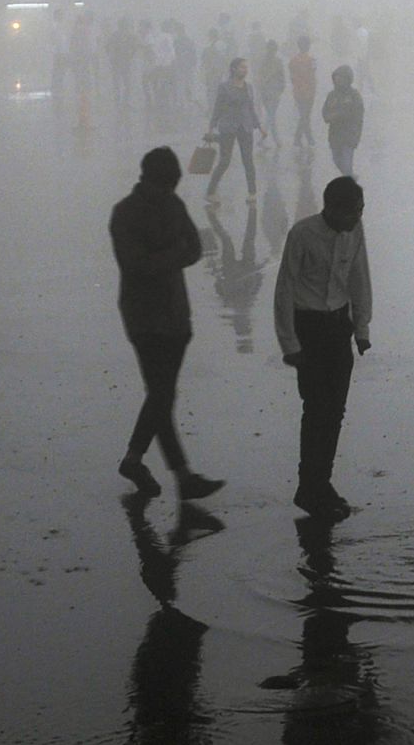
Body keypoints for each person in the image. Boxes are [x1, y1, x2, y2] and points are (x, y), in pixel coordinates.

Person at [110, 148, 225, 500]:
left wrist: (163, 256)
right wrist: (171, 254)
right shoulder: (127, 213)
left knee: (161, 395)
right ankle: (182, 475)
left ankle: (135, 459)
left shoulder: (168, 205)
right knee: (161, 394)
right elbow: (137, 264)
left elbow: (193, 249)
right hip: (148, 317)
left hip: (171, 315)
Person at [274, 177, 372, 521]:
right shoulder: (302, 235)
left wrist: (361, 327)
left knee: (335, 411)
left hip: (338, 327)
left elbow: (360, 276)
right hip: (309, 329)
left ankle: (321, 482)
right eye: (353, 211)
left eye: (361, 210)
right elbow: (285, 287)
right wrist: (289, 342)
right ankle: (308, 486)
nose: (358, 217)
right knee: (316, 409)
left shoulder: (355, 232)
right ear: (331, 209)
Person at [205, 57, 262, 201]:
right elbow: (217, 108)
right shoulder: (224, 87)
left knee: (248, 160)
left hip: (245, 126)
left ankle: (252, 193)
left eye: (246, 67)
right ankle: (210, 192)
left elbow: (251, 108)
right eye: (242, 67)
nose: (245, 70)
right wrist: (211, 127)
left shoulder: (249, 87)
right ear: (234, 69)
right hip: (228, 127)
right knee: (225, 161)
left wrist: (259, 126)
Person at [322, 65, 365, 176]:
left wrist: (343, 116)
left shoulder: (354, 95)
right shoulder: (332, 95)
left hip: (349, 135)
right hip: (335, 136)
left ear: (348, 79)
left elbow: (358, 114)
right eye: (337, 77)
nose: (338, 80)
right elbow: (325, 113)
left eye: (341, 77)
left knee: (347, 164)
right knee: (337, 160)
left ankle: (350, 187)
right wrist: (331, 116)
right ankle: (351, 177)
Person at [256, 39, 287, 149]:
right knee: (271, 116)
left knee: (270, 116)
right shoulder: (275, 62)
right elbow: (282, 78)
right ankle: (273, 140)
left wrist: (280, 89)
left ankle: (266, 139)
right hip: (270, 93)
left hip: (271, 93)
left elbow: (281, 78)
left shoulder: (266, 61)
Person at [289, 36, 318, 150]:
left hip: (298, 91)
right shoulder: (312, 60)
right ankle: (302, 138)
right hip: (309, 91)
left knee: (304, 115)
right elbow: (313, 75)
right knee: (305, 115)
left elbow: (292, 76)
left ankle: (307, 138)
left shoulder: (293, 60)